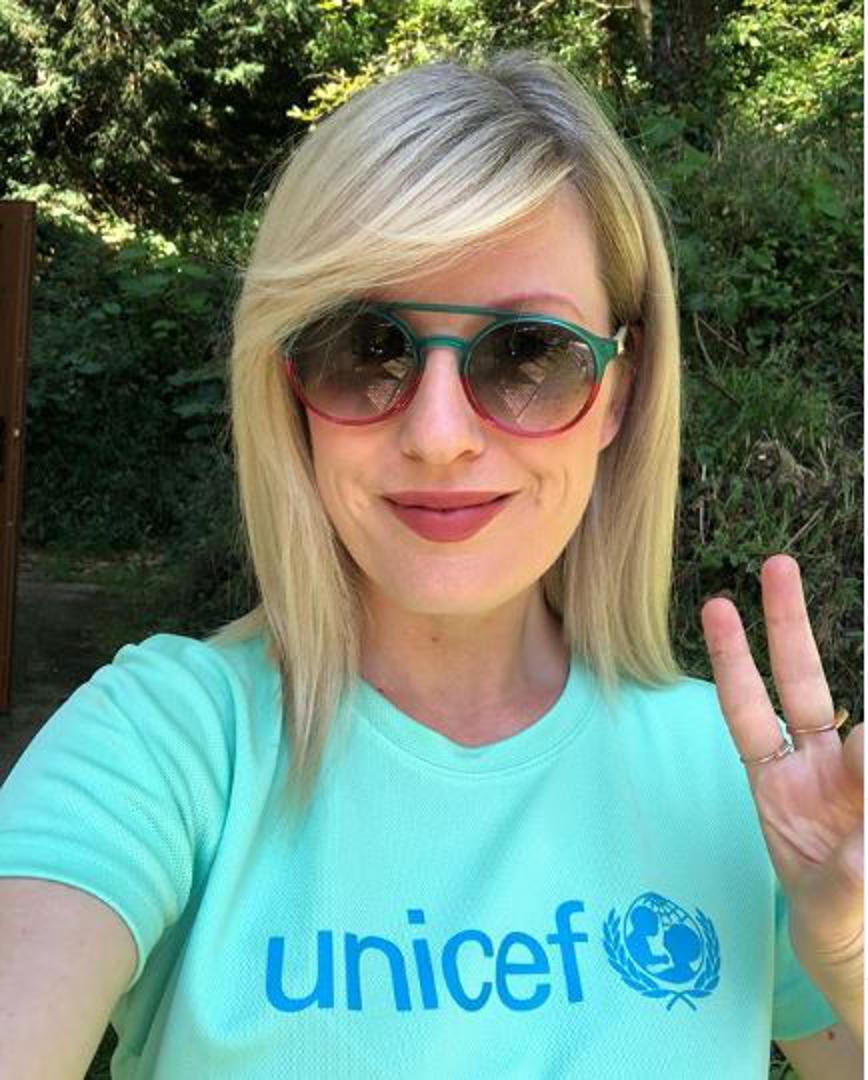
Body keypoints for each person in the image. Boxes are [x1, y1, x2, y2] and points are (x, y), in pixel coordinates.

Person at [0, 48, 862, 1080]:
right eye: (366, 349)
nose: (440, 436)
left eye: (528, 353)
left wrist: (853, 969)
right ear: (287, 387)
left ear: (620, 394)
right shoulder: (162, 746)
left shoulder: (743, 785)